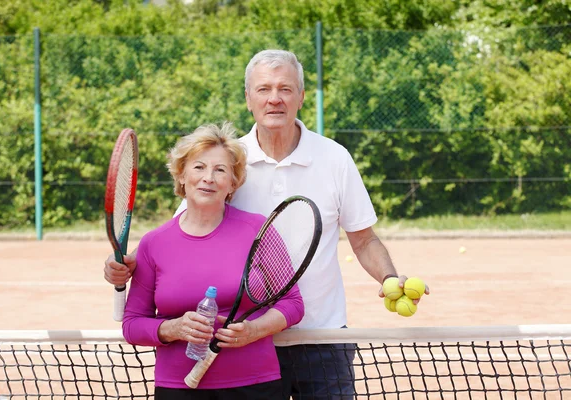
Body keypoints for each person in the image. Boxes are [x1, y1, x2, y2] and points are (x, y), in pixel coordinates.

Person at [105, 50, 430, 399]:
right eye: (263, 89)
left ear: (301, 97)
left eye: (285, 89)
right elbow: (180, 237)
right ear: (248, 99)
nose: (274, 98)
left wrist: (389, 276)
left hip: (321, 336)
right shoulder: (225, 160)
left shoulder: (335, 158)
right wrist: (123, 266)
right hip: (244, 347)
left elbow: (364, 241)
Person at [121, 121, 305, 400]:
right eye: (198, 167)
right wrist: (173, 328)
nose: (208, 177)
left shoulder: (258, 230)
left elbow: (293, 304)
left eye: (220, 170)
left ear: (232, 183)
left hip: (255, 386)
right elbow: (132, 324)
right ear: (181, 175)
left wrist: (253, 331)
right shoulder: (153, 243)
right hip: (178, 388)